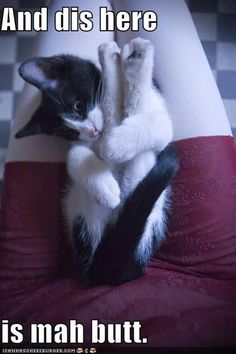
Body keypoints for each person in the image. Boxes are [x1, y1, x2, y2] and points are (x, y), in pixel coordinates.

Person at [0, 0, 235, 347]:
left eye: (79, 113)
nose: (87, 128)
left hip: (35, 297)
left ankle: (112, 79)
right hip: (206, 273)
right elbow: (158, 141)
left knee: (85, 151)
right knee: (139, 147)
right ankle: (125, 85)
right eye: (76, 124)